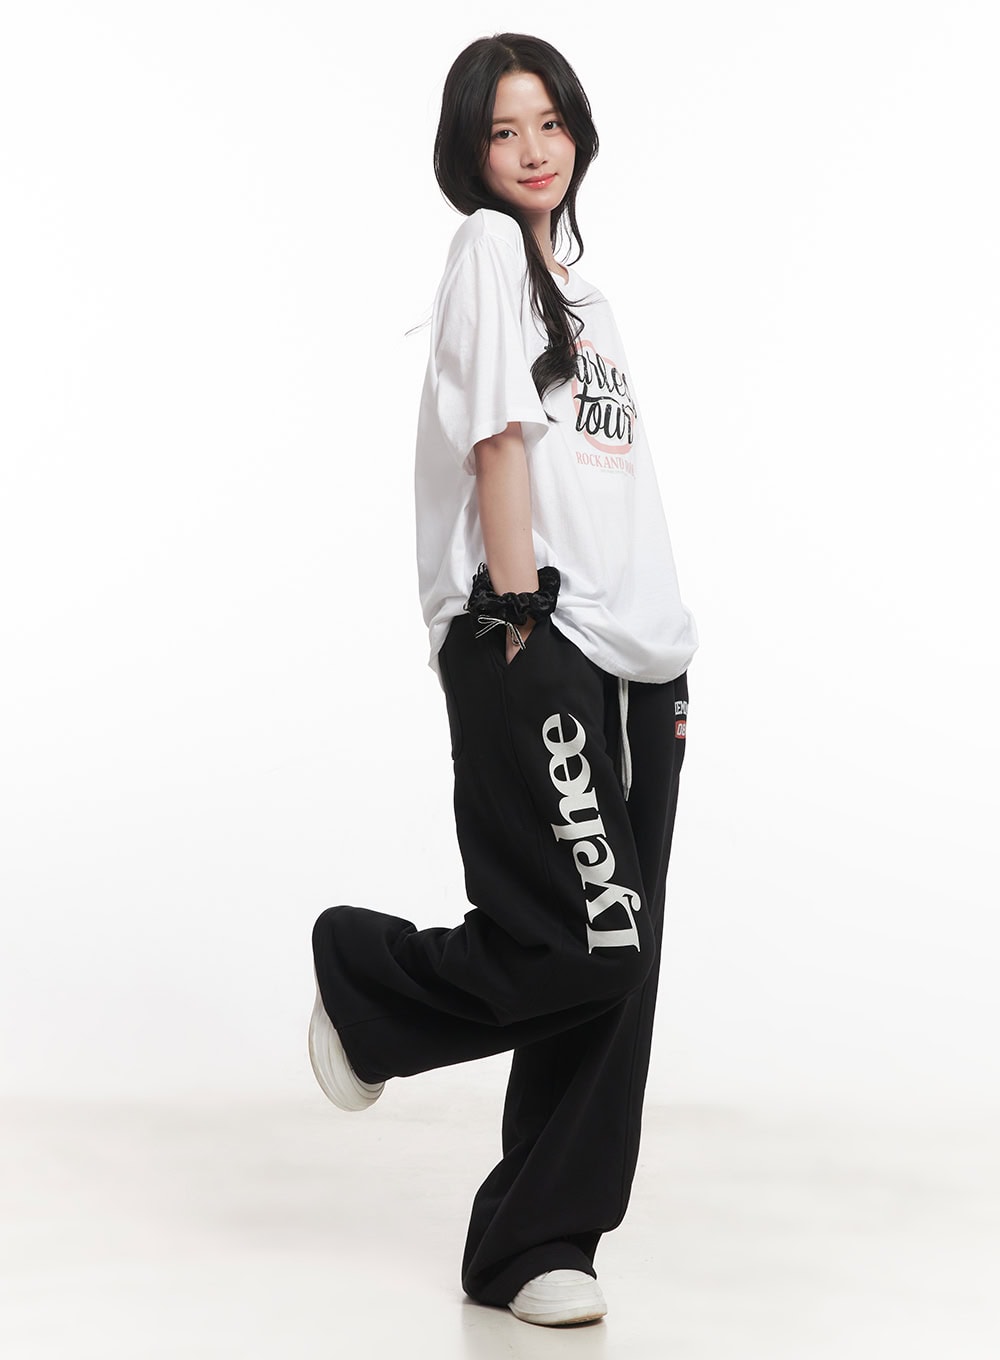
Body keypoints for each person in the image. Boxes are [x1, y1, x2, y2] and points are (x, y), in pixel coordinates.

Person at [308, 32, 698, 1328]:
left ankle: (539, 1241)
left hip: (643, 658)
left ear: (577, 129)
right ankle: (367, 983)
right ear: (469, 153)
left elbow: (617, 490)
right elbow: (496, 445)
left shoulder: (588, 300)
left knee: (619, 966)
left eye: (550, 123)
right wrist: (519, 618)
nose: (533, 151)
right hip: (536, 631)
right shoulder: (486, 251)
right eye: (503, 130)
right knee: (586, 937)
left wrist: (668, 652)